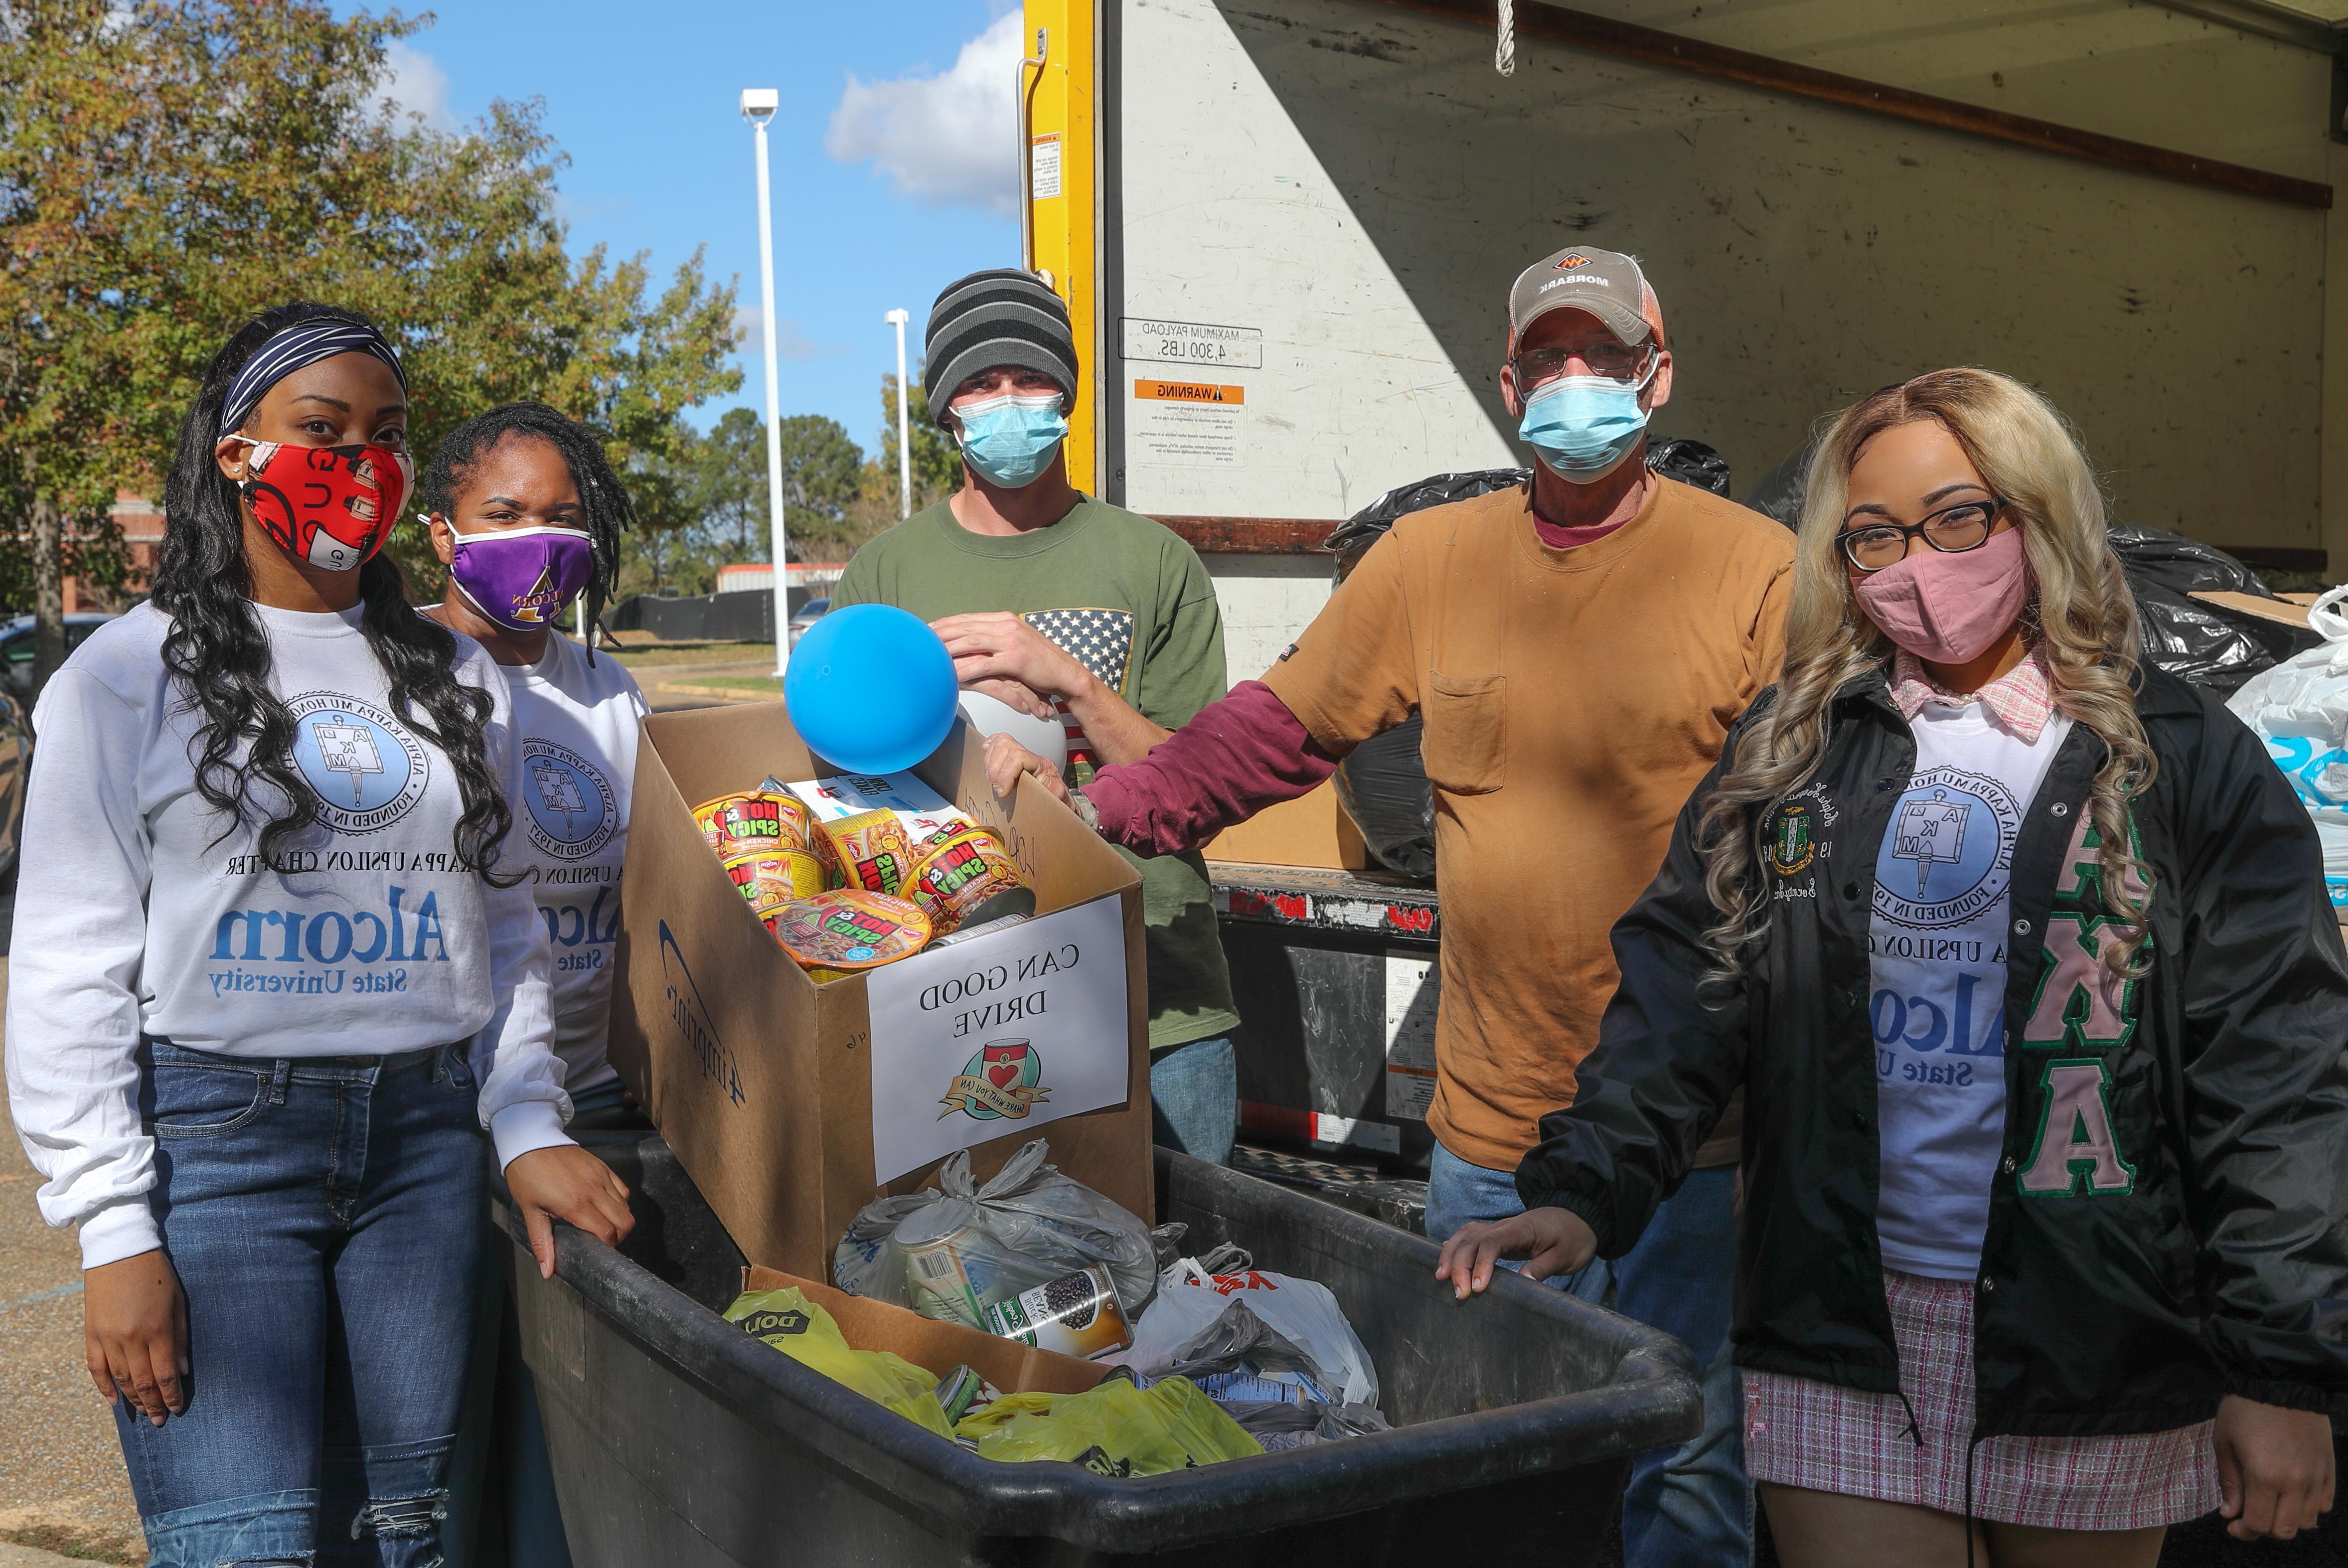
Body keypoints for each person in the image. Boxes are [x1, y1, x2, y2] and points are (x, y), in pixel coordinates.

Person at [1439, 368, 2348, 1565]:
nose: (1915, 561)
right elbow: (1686, 987)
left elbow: (2276, 1077)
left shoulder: (2176, 762)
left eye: (1957, 517)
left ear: (2035, 514)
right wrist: (1582, 1186)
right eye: (1873, 535)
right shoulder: (1793, 754)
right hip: (1842, 1319)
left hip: (2088, 1322)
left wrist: (2280, 1367)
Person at [990, 245, 1789, 1567]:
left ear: (1660, 376)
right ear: (1508, 382)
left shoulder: (1759, 576)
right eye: (1550, 360)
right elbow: (1272, 733)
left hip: (1699, 1155)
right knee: (1492, 1470)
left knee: (1688, 1476)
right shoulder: (1431, 562)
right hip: (1487, 1140)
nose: (1576, 383)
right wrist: (1102, 820)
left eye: (1604, 357)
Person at [3, 305, 634, 1568]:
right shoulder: (128, 676)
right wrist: (114, 1231)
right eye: (322, 429)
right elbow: (68, 966)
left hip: (422, 1151)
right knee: (242, 1547)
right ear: (238, 453)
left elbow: (504, 927)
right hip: (215, 1154)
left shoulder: (457, 681)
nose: (362, 461)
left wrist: (526, 1121)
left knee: (401, 1541)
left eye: (388, 434)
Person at [831, 267, 1243, 1165]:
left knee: (1196, 1286)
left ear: (1068, 392)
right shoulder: (883, 580)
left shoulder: (1156, 562)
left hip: (1159, 1003)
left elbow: (1203, 779)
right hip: (956, 1003)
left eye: (1030, 378)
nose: (1007, 401)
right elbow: (847, 800)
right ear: (946, 407)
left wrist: (1071, 687)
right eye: (980, 382)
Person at [418, 403, 650, 1568]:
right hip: (445, 1122)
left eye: (562, 518)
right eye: (502, 515)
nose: (537, 540)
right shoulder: (401, 672)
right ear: (440, 534)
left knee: (564, 1428)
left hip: (594, 1104)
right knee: (451, 1425)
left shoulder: (610, 693)